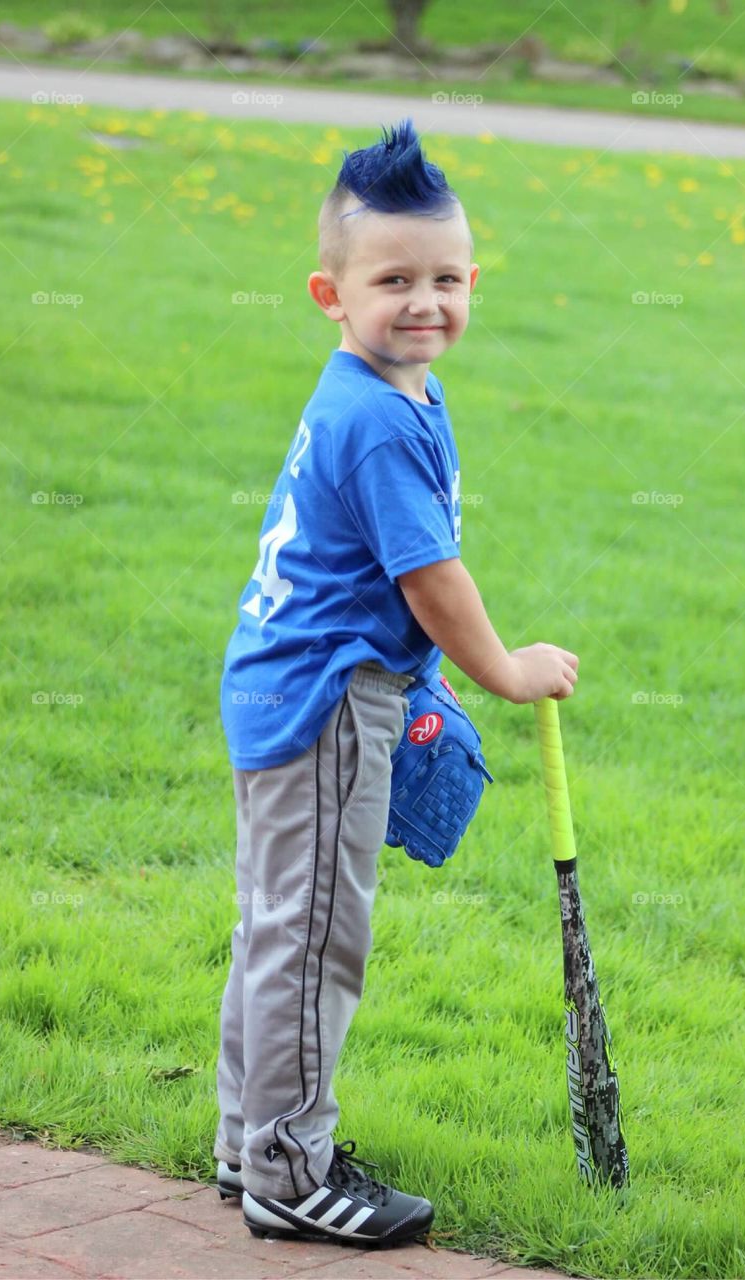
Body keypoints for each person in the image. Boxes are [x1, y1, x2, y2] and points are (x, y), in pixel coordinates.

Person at [213, 118, 579, 1248]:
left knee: (279, 923)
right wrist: (504, 670)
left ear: (472, 281)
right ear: (331, 292)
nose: (424, 302)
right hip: (325, 702)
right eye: (393, 281)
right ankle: (288, 1168)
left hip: (299, 687)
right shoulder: (376, 416)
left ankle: (251, 1140)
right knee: (315, 933)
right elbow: (429, 577)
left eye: (445, 279)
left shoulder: (393, 387)